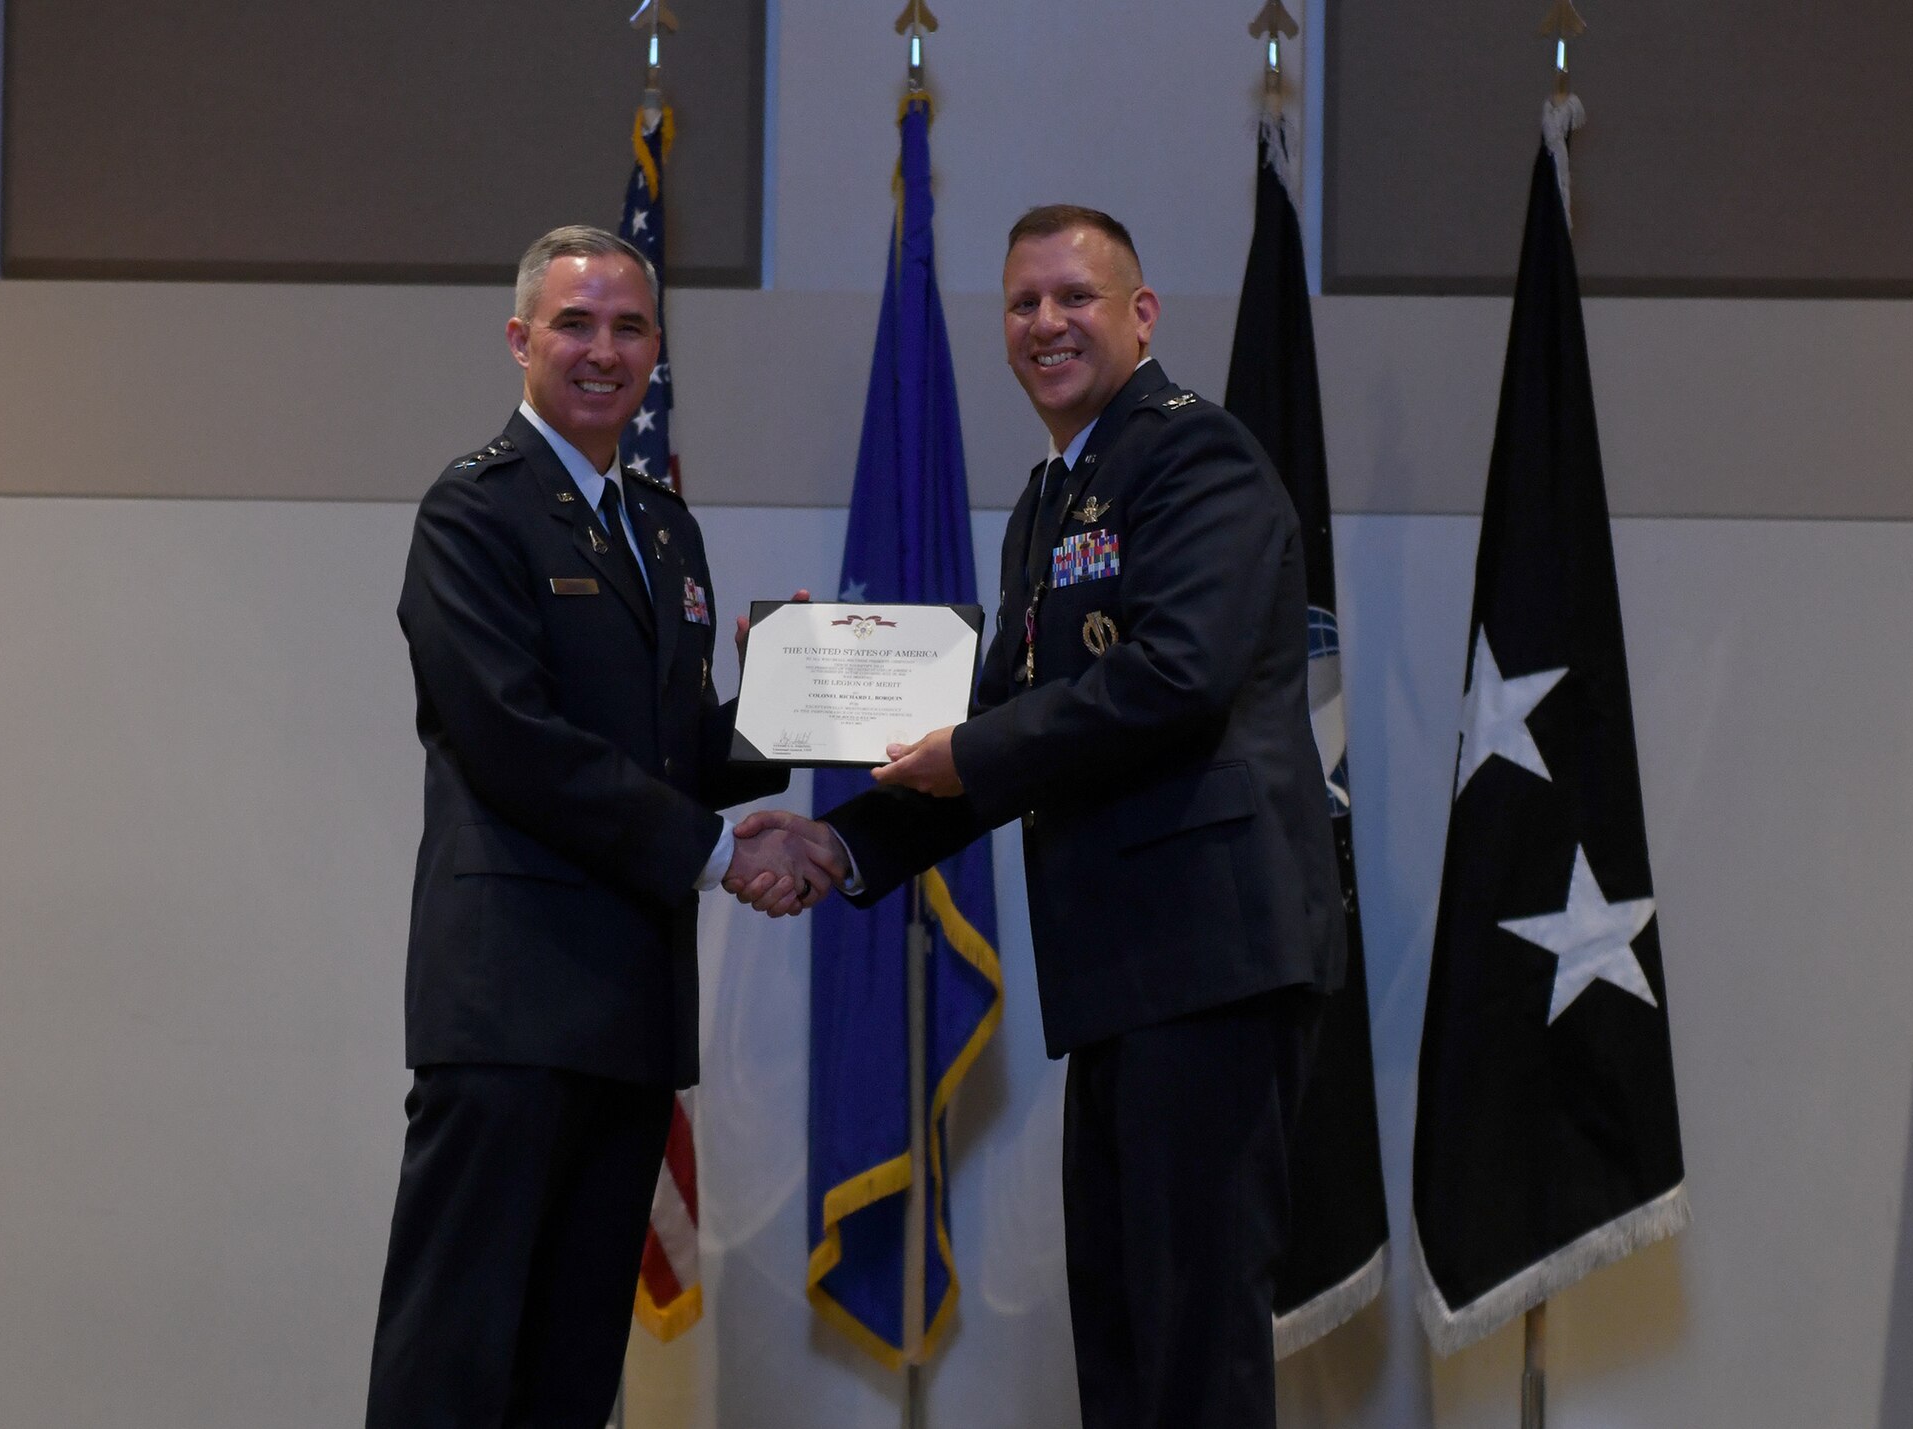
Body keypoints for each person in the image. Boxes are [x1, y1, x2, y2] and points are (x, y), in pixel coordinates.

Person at [737, 206, 1346, 1429]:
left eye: (1074, 296)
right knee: (1123, 1333)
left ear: (1140, 314)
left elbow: (1174, 675)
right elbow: (1007, 724)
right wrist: (841, 839)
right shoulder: (1048, 502)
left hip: (1208, 963)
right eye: (1022, 303)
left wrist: (969, 744)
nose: (1044, 323)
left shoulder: (1197, 458)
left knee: (1194, 1336)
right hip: (1124, 975)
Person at [367, 225, 841, 1429]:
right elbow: (517, 744)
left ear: (655, 349)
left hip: (628, 1013)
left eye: (629, 327)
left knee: (572, 1369)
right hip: (511, 1008)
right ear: (520, 340)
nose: (602, 350)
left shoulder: (663, 528)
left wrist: (799, 699)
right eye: (574, 324)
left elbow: (670, 752)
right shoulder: (472, 513)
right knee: (455, 1356)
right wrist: (727, 853)